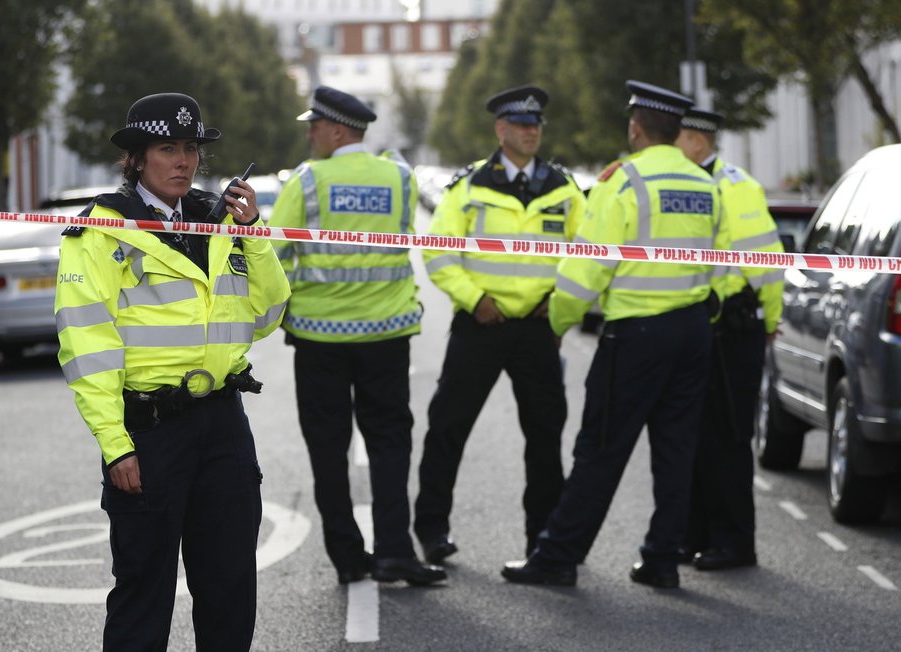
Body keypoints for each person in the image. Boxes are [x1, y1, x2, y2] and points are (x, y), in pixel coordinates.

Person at [54, 92, 290, 650]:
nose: (183, 161)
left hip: (223, 427)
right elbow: (87, 346)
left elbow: (269, 313)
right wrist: (116, 444)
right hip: (150, 432)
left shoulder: (218, 219)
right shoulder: (102, 231)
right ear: (136, 158)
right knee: (143, 595)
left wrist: (253, 232)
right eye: (168, 148)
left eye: (191, 148)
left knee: (230, 590)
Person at [502, 80, 729, 589]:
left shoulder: (623, 183)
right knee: (676, 452)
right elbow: (723, 263)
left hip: (636, 336)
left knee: (600, 449)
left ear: (635, 127)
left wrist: (558, 320)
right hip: (692, 332)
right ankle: (662, 560)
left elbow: (586, 271)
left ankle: (557, 556)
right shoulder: (704, 184)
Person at [267, 85, 446, 586]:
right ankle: (394, 552)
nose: (309, 133)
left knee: (328, 450)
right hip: (387, 336)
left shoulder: (307, 181)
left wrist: (278, 309)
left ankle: (348, 558)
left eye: (315, 126)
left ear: (338, 130)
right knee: (391, 446)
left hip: (319, 340)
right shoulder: (400, 177)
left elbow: (274, 255)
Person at [414, 85, 587, 565]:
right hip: (480, 325)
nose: (532, 134)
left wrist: (559, 306)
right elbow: (439, 252)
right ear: (501, 129)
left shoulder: (564, 189)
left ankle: (543, 540)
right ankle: (432, 531)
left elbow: (588, 256)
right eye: (522, 126)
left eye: (536, 126)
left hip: (538, 329)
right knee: (447, 428)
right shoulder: (469, 187)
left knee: (546, 436)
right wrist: (475, 300)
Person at [676, 107, 784, 570]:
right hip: (695, 327)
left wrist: (769, 321)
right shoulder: (682, 180)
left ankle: (735, 543)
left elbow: (766, 261)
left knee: (728, 438)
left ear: (699, 142)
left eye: (676, 136)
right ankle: (695, 536)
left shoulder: (734, 185)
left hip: (731, 330)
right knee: (693, 437)